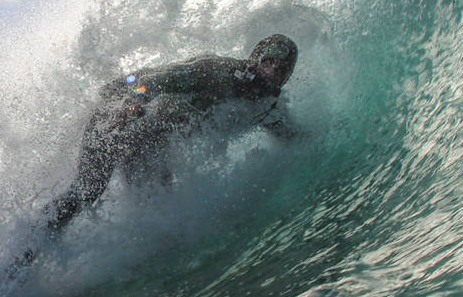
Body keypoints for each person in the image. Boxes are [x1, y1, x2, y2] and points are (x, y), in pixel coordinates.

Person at [43, 34, 299, 234]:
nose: (271, 72)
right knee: (90, 189)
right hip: (118, 114)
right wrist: (131, 104)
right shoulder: (217, 72)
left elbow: (290, 135)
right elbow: (156, 80)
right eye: (268, 62)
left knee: (160, 207)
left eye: (280, 70)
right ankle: (29, 247)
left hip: (149, 140)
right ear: (256, 59)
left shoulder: (265, 106)